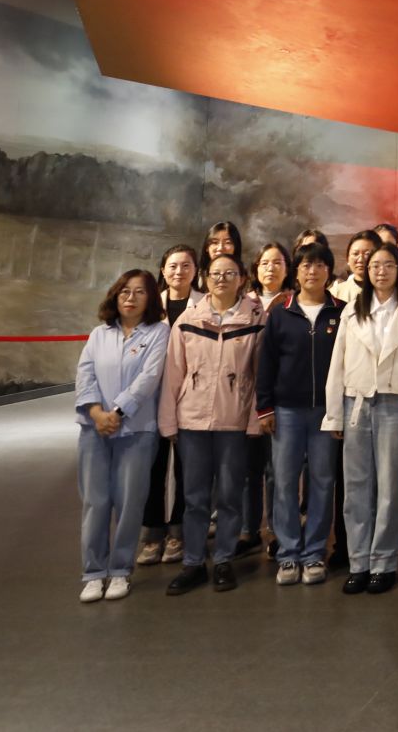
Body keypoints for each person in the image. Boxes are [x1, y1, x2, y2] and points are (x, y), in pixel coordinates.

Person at [158, 252, 264, 595]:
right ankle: (192, 562)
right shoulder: (188, 320)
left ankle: (223, 560)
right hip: (192, 421)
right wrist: (169, 422)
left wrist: (254, 421)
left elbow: (258, 376)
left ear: (241, 278)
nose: (221, 279)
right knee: (194, 496)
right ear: (205, 278)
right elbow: (174, 374)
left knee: (230, 495)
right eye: (216, 273)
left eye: (229, 273)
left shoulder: (255, 320)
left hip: (234, 421)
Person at [325, 239, 398, 595]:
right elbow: (337, 364)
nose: (381, 271)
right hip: (356, 403)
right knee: (355, 487)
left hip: (395, 404)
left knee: (389, 488)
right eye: (375, 266)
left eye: (388, 265)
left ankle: (383, 563)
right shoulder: (353, 310)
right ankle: (358, 562)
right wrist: (334, 415)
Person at [74, 269, 169, 602]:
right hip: (95, 429)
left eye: (140, 292)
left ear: (150, 298)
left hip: (137, 429)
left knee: (130, 503)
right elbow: (85, 375)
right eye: (125, 291)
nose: (131, 298)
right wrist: (97, 413)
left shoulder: (159, 332)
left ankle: (119, 570)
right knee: (95, 501)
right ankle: (93, 572)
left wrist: (117, 412)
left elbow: (149, 378)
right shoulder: (99, 334)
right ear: (115, 295)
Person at [259, 240, 345, 586]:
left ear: (329, 271)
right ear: (296, 272)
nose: (313, 271)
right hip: (287, 411)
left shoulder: (341, 312)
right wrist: (265, 407)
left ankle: (314, 553)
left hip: (326, 412)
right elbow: (266, 362)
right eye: (306, 265)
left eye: (320, 265)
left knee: (323, 482)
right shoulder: (281, 312)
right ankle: (288, 554)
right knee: (284, 482)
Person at [139, 243, 200, 565]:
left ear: (196, 270)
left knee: (186, 469)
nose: (179, 271)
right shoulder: (149, 307)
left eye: (186, 265)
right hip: (152, 399)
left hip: (190, 397)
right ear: (163, 270)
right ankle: (152, 534)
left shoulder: (204, 305)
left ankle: (178, 532)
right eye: (173, 266)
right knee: (153, 467)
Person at [240, 240, 294, 557]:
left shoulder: (292, 303)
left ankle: (276, 531)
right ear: (255, 268)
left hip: (279, 397)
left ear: (287, 269)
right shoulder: (244, 303)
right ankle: (248, 530)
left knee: (277, 471)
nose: (270, 268)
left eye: (277, 262)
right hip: (245, 397)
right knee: (250, 469)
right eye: (264, 263)